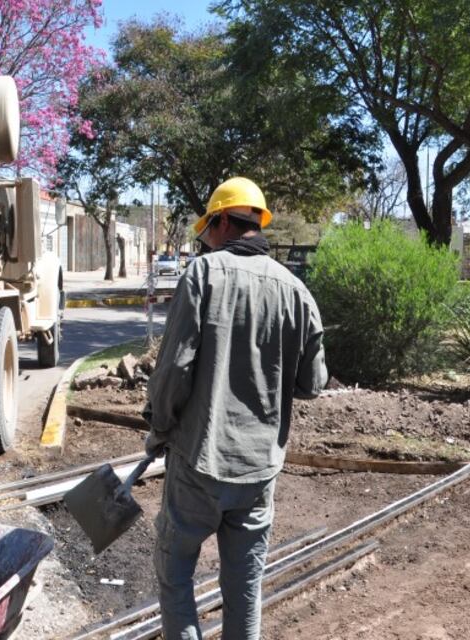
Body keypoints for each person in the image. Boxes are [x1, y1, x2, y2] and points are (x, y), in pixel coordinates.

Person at [144, 177, 327, 640]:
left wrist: (159, 426)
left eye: (209, 228)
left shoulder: (203, 275)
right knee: (245, 589)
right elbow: (313, 383)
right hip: (258, 471)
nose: (207, 239)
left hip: (198, 463)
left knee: (174, 573)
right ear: (257, 222)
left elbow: (174, 369)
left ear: (225, 220)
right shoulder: (296, 291)